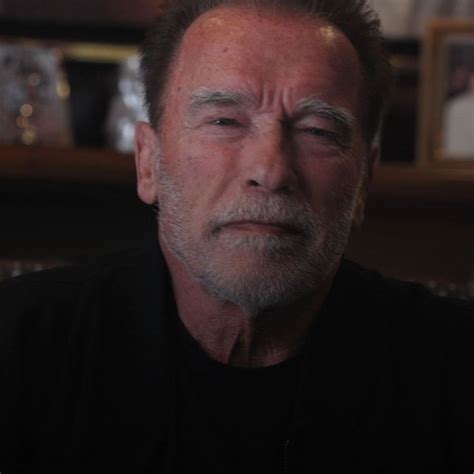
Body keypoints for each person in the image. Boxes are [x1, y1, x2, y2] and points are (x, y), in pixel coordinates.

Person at [1, 1, 473, 473]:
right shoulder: (19, 346)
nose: (270, 170)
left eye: (317, 130)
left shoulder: (454, 366)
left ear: (364, 181)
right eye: (224, 121)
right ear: (148, 162)